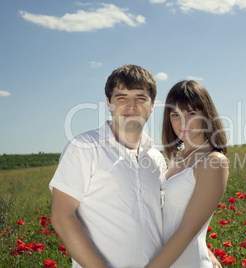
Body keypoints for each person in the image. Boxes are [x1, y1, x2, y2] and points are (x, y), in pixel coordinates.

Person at [49, 64, 221, 268]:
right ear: (108, 102)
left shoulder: (155, 158)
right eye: (121, 98)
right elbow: (62, 216)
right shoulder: (84, 147)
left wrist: (201, 247)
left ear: (152, 103)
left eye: (140, 98)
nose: (131, 106)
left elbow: (171, 216)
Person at [146, 80, 229, 268]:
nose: (182, 122)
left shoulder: (213, 161)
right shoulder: (178, 158)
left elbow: (187, 230)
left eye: (191, 113)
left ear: (206, 114)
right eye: (175, 114)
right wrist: (207, 250)